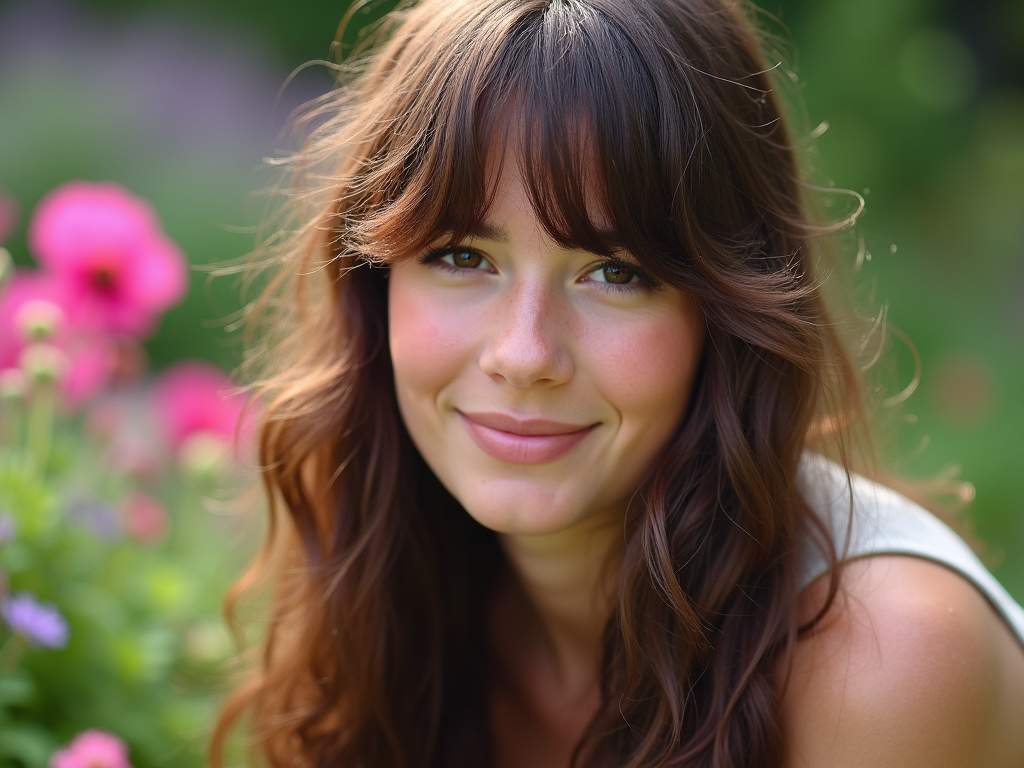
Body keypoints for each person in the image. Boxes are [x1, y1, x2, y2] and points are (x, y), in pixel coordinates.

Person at [213, 1, 1024, 766]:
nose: (524, 354)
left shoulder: (882, 655)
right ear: (373, 283)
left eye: (615, 272)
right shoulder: (399, 587)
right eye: (462, 256)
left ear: (727, 311)